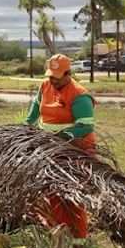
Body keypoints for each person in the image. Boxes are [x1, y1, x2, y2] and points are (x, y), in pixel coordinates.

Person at [24, 54, 96, 238]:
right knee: (51, 192)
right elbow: (36, 106)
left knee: (71, 196)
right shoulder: (45, 85)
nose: (53, 81)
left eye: (56, 77)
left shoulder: (79, 95)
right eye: (50, 76)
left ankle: (79, 238)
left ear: (68, 74)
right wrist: (27, 126)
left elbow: (86, 126)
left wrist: (62, 137)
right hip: (49, 148)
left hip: (75, 150)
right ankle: (58, 233)